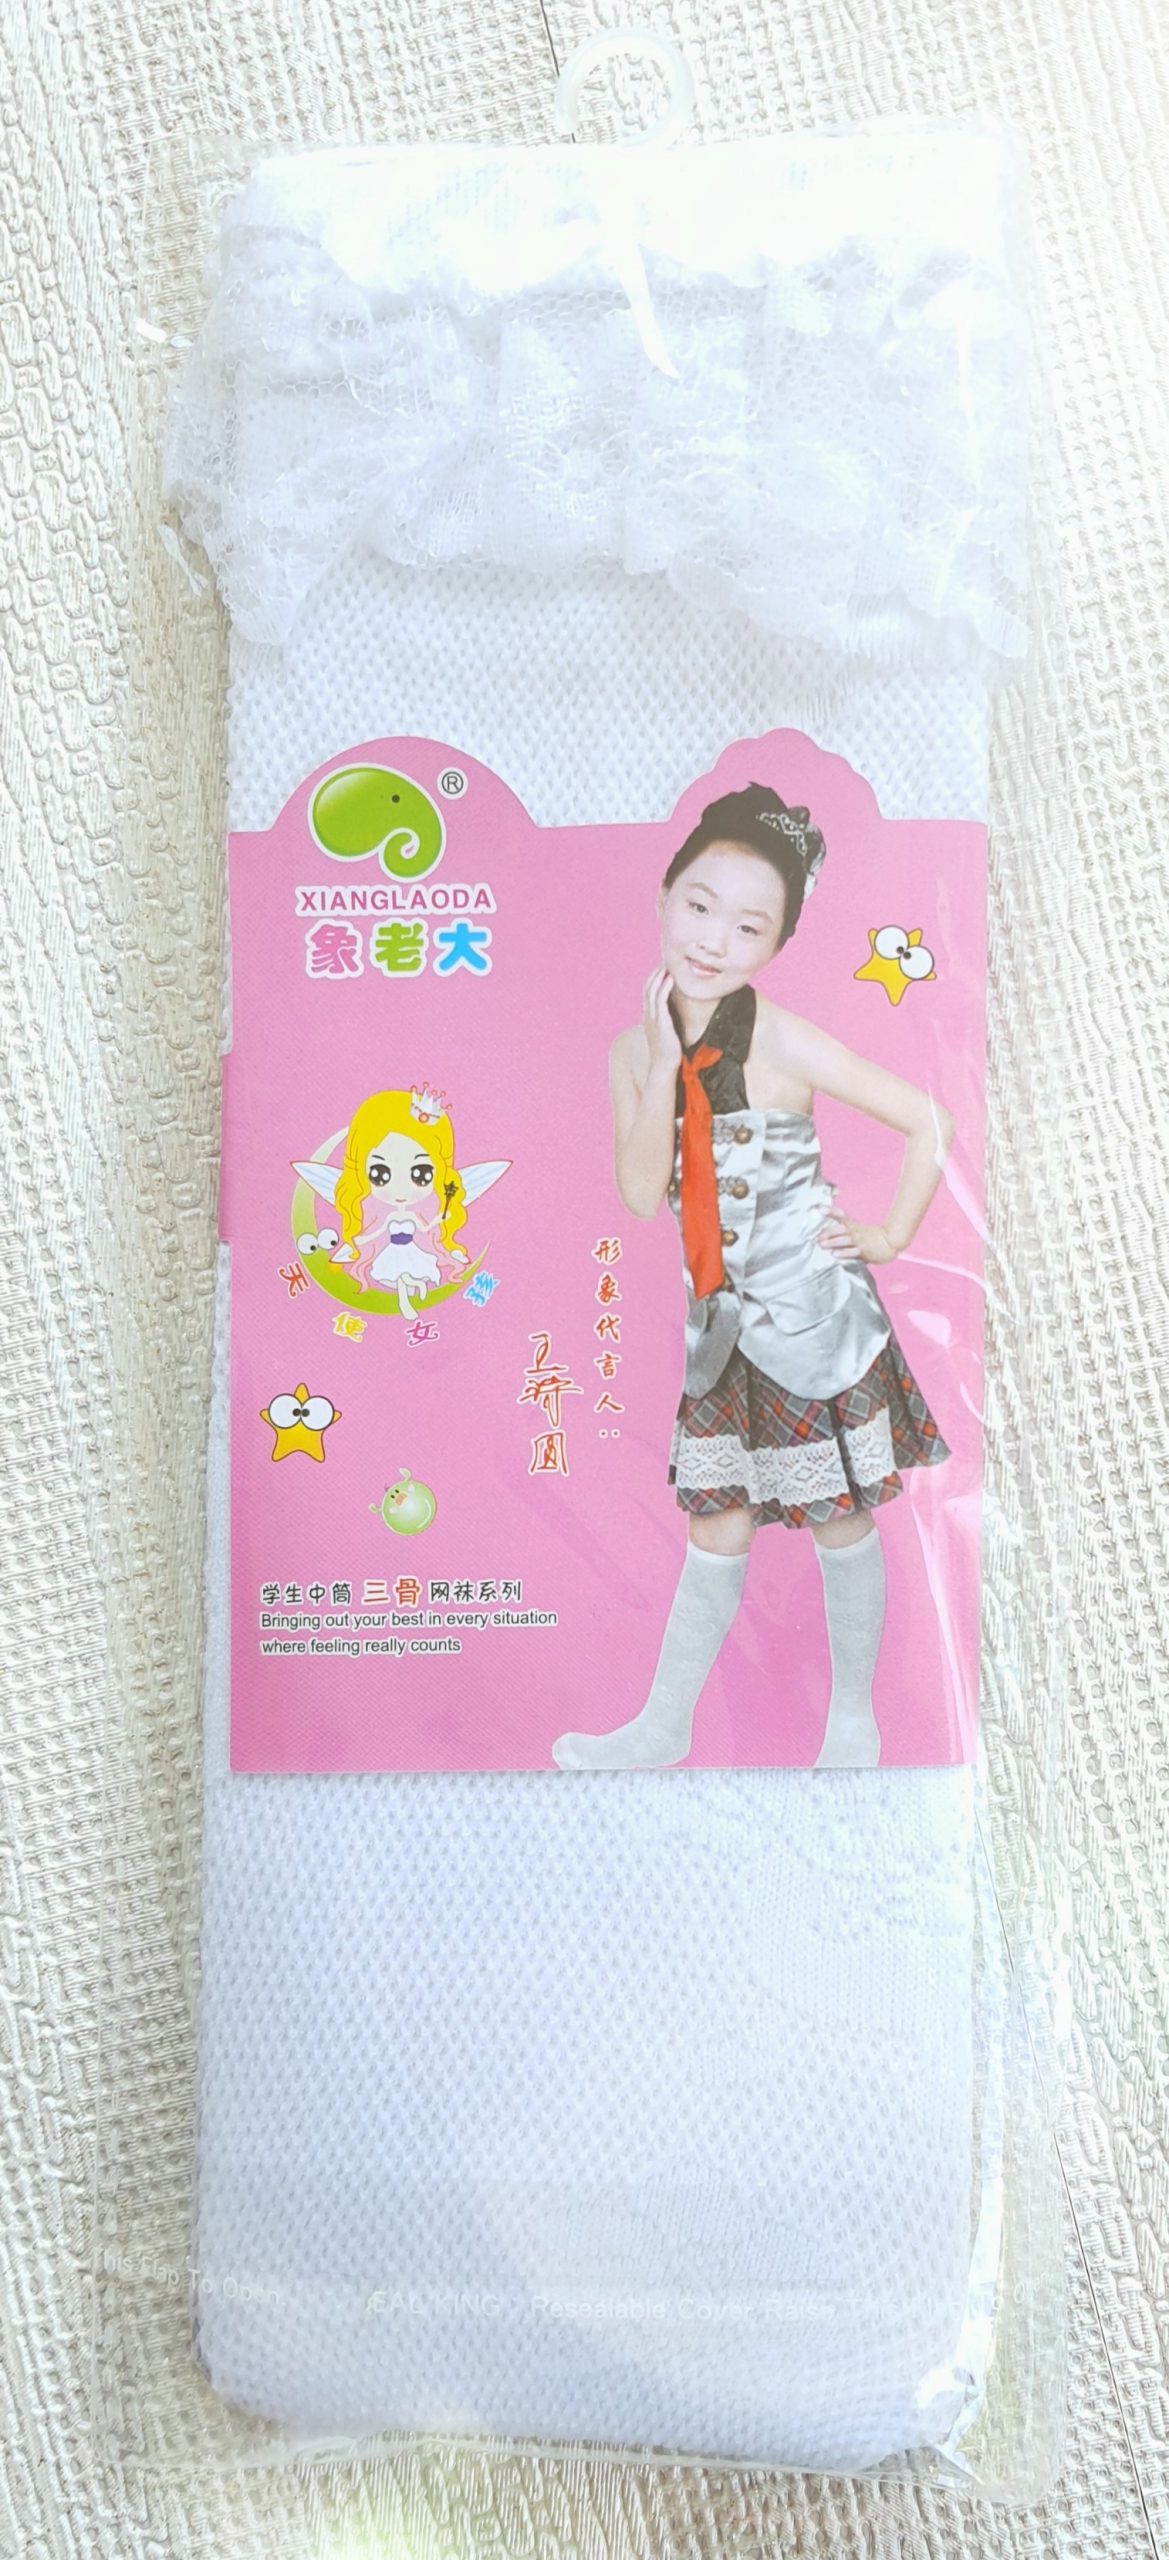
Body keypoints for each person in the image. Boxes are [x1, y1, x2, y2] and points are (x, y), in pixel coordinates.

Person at [552, 783, 953, 1773]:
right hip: (720, 1329)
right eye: (699, 905)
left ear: (776, 941)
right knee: (716, 1523)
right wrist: (659, 1066)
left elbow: (924, 1120)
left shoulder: (779, 1035)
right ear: (663, 895)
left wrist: (886, 1235)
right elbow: (639, 1193)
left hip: (810, 1319)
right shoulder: (628, 1051)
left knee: (837, 1515)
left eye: (748, 925)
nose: (713, 939)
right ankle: (663, 1726)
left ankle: (851, 1723)